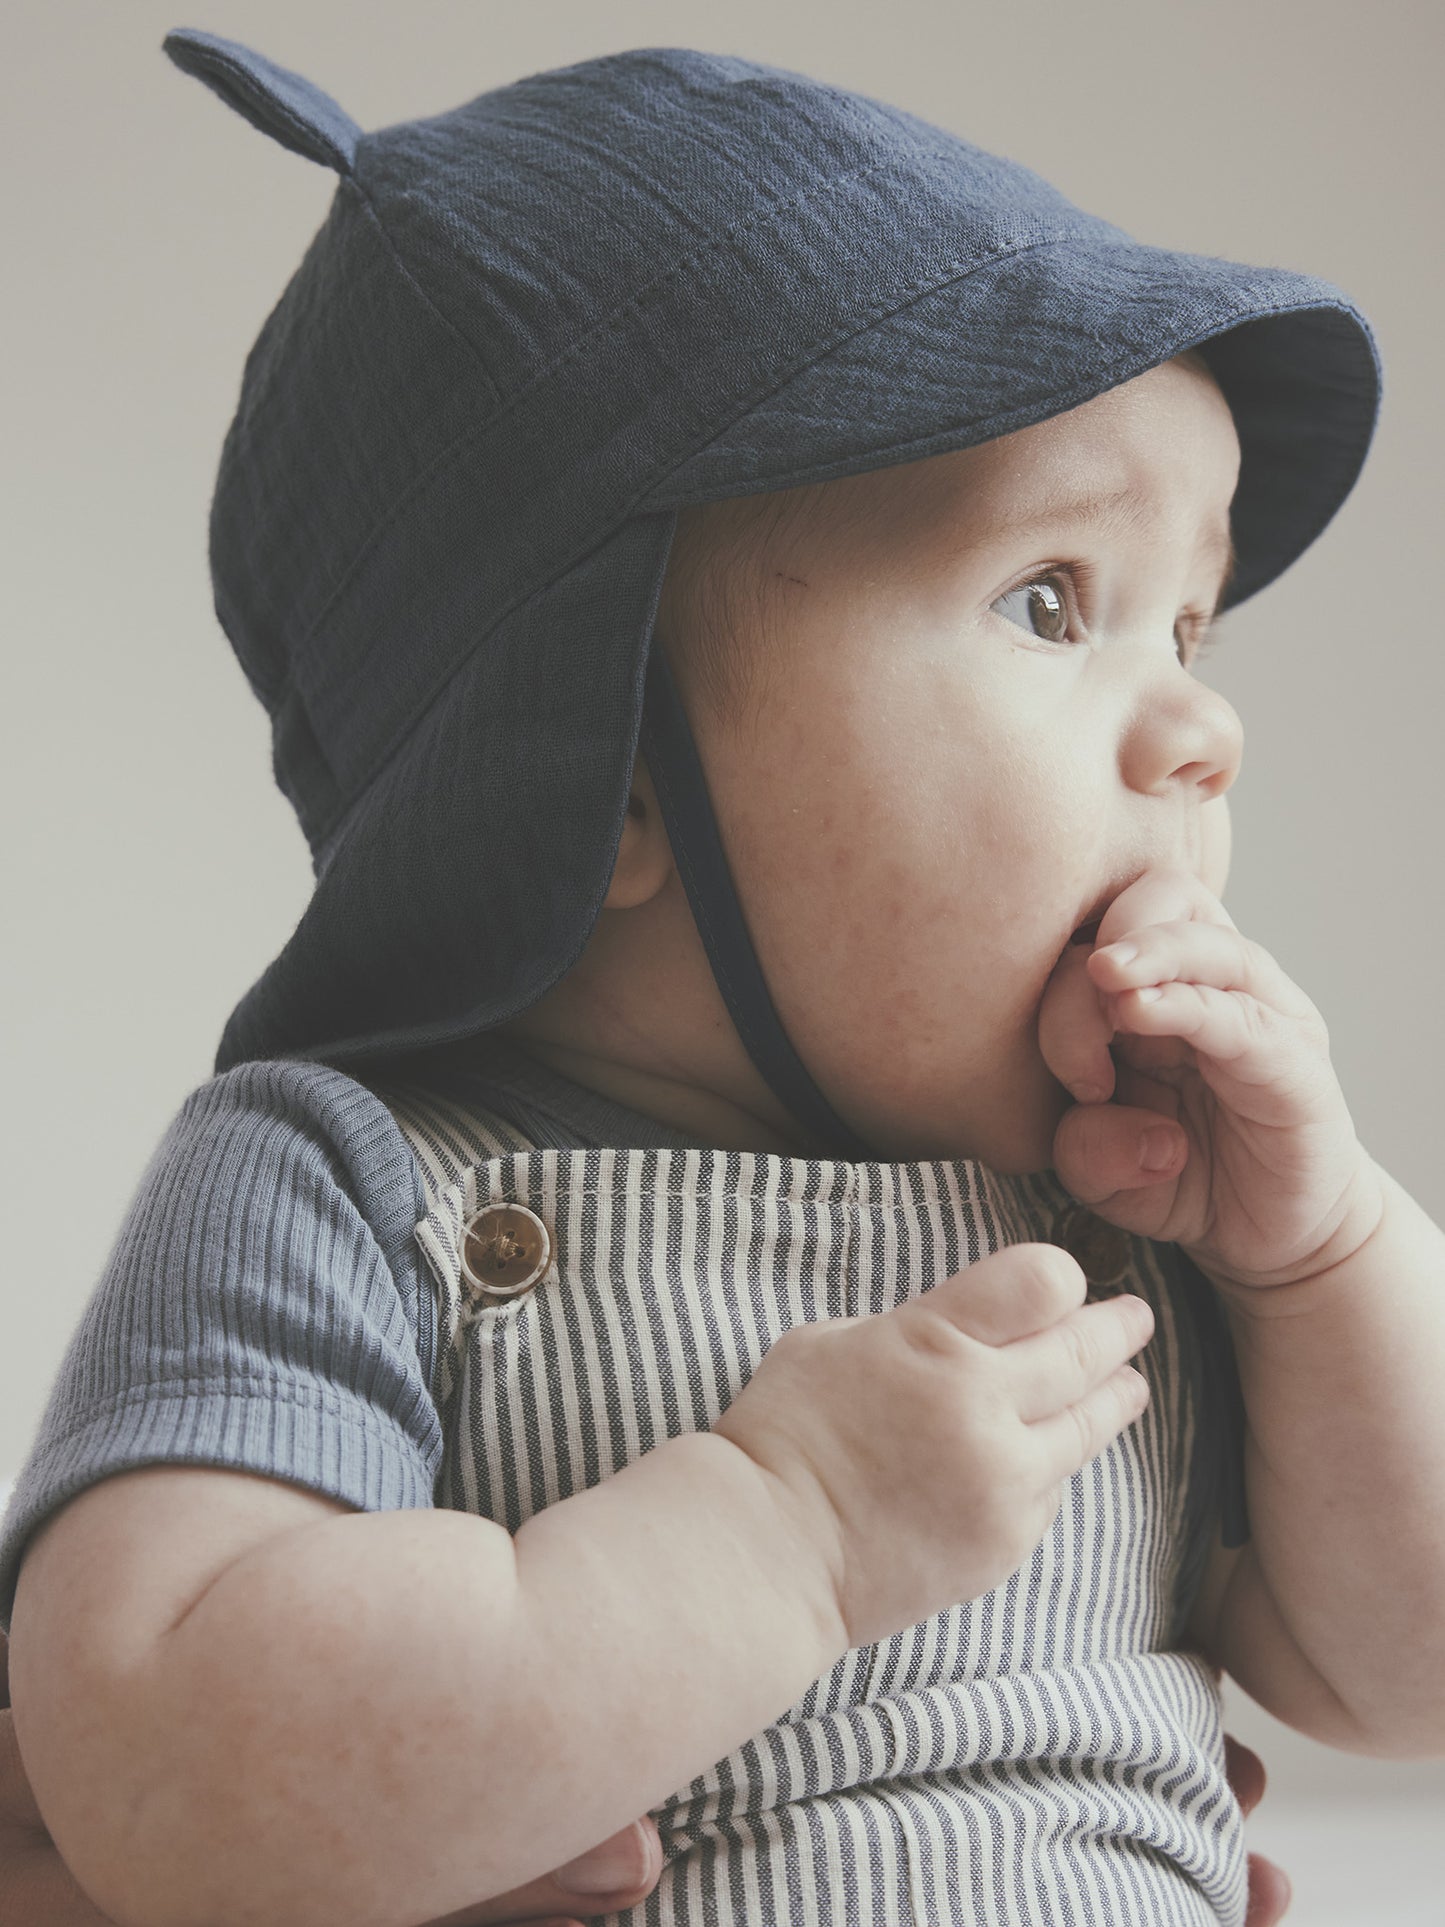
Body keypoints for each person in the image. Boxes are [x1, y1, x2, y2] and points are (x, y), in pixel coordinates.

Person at [3, 25, 1441, 1927]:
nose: (1201, 726)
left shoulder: (1139, 1218)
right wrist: (789, 1531)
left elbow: (1399, 1680)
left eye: (1192, 620)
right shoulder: (342, 1183)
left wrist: (1323, 1255)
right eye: (1048, 603)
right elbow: (161, 1776)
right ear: (593, 779)